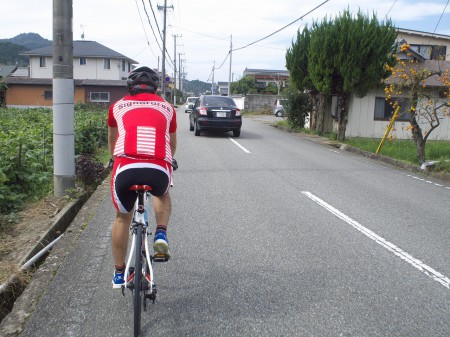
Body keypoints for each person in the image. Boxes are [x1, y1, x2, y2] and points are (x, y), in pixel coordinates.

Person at [107, 66, 177, 289]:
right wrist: (168, 160)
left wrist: (113, 159)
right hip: (157, 168)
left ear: (130, 88)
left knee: (121, 218)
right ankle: (161, 234)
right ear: (156, 88)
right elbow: (171, 143)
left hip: (126, 168)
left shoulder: (117, 106)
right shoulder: (168, 108)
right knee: (162, 193)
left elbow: (112, 138)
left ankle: (119, 273)